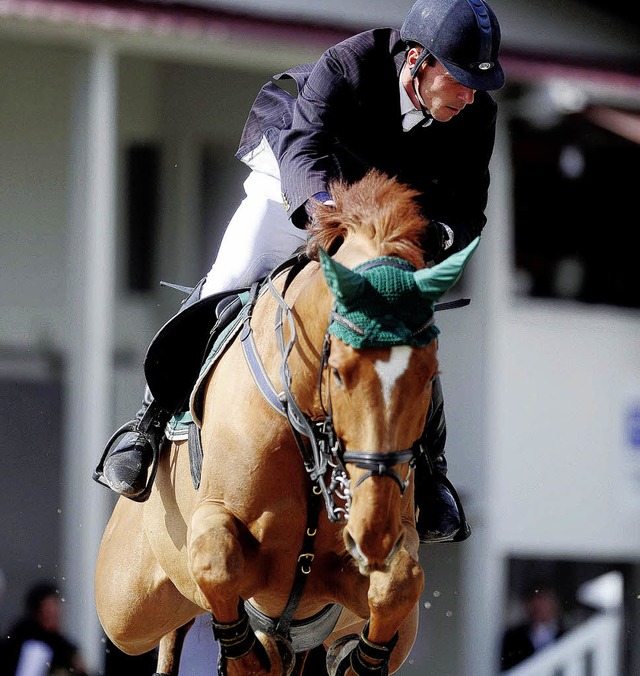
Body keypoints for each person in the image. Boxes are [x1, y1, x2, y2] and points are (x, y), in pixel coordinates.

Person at [95, 0, 505, 544]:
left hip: (383, 220)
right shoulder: (348, 64)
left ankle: (430, 472)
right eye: (458, 79)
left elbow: (468, 210)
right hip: (303, 185)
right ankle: (149, 425)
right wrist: (333, 221)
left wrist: (425, 239)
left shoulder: (475, 116)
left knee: (408, 327)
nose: (470, 95)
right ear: (416, 60)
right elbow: (303, 150)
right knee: (231, 275)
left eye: (478, 83)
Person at [0, 582, 90, 676]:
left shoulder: (64, 647)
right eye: (48, 611)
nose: (54, 615)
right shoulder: (18, 640)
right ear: (37, 612)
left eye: (56, 611)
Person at [500, 584, 566, 671]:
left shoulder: (566, 636)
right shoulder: (513, 637)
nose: (538, 606)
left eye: (543, 600)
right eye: (534, 601)